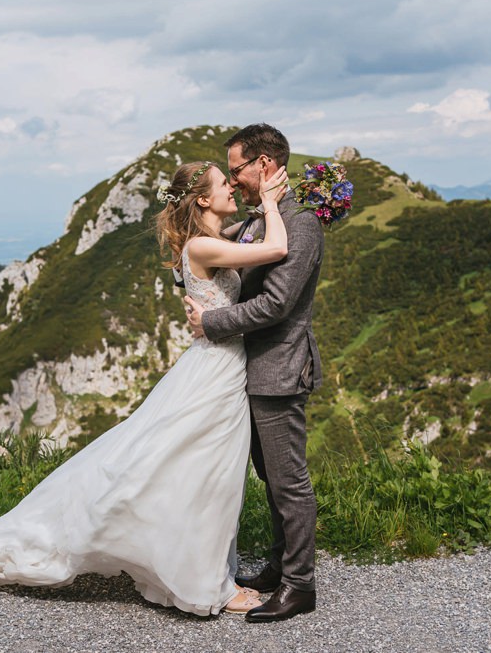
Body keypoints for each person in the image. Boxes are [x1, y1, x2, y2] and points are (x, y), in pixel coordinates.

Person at [0, 159, 290, 617]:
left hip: (218, 365)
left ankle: (198, 565)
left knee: (200, 473)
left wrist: (265, 208)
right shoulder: (201, 245)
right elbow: (276, 247)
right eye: (224, 184)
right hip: (216, 371)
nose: (233, 188)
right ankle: (206, 581)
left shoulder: (210, 239)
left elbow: (245, 230)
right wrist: (271, 203)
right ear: (202, 199)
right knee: (204, 475)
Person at [184, 123, 324, 623]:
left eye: (238, 168)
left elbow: (277, 304)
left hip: (280, 368)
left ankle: (300, 586)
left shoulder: (301, 222)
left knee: (289, 482)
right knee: (270, 476)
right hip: (249, 370)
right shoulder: (261, 219)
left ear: (264, 165)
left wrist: (211, 321)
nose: (236, 179)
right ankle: (278, 566)